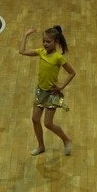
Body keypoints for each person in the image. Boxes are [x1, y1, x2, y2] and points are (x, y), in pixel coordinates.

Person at [19, 26, 76, 156]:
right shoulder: (41, 52)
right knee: (35, 119)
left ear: (56, 42)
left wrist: (61, 86)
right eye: (43, 41)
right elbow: (21, 51)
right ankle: (41, 146)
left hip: (51, 94)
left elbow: (72, 73)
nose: (45, 44)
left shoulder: (58, 58)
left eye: (48, 42)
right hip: (40, 91)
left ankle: (66, 139)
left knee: (48, 123)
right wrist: (25, 35)